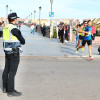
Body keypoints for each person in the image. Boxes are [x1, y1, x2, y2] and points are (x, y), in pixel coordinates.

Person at [2, 12, 25, 97]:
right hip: (14, 52)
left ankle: (5, 88)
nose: (17, 20)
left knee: (6, 69)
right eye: (16, 19)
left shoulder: (5, 27)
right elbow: (23, 41)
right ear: (14, 19)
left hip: (7, 51)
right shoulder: (14, 29)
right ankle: (11, 91)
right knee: (12, 72)